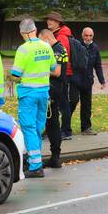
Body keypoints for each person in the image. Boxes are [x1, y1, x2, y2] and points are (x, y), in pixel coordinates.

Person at [11, 18, 57, 178]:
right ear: (35, 30)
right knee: (37, 128)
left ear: (23, 32)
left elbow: (16, 74)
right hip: (43, 93)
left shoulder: (23, 50)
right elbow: (53, 67)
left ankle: (36, 166)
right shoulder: (46, 47)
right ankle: (34, 161)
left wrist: (11, 78)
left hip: (28, 94)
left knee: (28, 128)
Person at [39, 28, 68, 168]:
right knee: (51, 123)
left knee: (52, 124)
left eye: (41, 41)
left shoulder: (57, 50)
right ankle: (54, 157)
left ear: (46, 39)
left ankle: (55, 156)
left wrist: (38, 70)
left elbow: (56, 72)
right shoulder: (59, 48)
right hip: (56, 90)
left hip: (53, 90)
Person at [46, 12, 76, 140]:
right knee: (59, 103)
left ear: (58, 22)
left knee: (63, 104)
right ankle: (56, 130)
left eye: (52, 20)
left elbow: (60, 57)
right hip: (61, 74)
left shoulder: (61, 37)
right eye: (48, 20)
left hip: (62, 75)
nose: (49, 22)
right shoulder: (58, 34)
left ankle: (66, 131)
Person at [75, 27, 106, 136]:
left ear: (93, 36)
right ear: (82, 35)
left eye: (90, 36)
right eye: (86, 35)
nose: (88, 38)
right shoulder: (77, 46)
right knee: (72, 103)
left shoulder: (95, 48)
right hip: (76, 80)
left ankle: (86, 128)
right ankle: (64, 128)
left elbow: (98, 65)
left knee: (87, 105)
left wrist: (102, 80)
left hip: (88, 80)